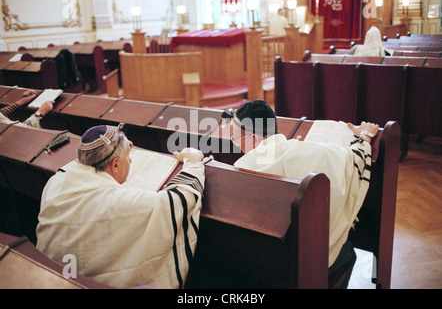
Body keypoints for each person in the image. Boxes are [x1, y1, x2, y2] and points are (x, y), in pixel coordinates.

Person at [226, 100, 379, 288]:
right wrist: (364, 137)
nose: (234, 144)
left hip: (260, 265)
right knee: (347, 251)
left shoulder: (238, 169)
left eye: (235, 138)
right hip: (302, 264)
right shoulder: (308, 151)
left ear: (254, 136)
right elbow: (354, 160)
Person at [36, 124, 206, 289]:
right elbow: (179, 200)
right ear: (115, 165)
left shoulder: (56, 182)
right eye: (128, 156)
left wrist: (119, 142)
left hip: (48, 278)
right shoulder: (120, 202)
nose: (131, 159)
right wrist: (193, 162)